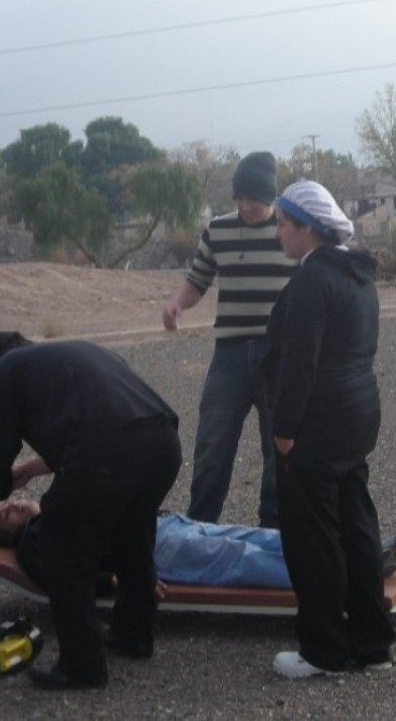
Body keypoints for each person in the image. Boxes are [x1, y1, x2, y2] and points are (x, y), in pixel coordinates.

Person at [0, 332, 182, 690]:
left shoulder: (1, 372)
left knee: (61, 551)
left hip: (107, 456)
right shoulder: (75, 353)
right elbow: (97, 420)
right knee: (133, 535)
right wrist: (30, 471)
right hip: (163, 443)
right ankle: (134, 635)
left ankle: (82, 667)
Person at [262, 180, 396, 678]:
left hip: (317, 421)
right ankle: (372, 642)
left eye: (282, 224)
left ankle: (323, 650)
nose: (277, 233)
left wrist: (285, 428)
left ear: (307, 227)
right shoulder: (359, 274)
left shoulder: (312, 281)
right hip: (358, 413)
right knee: (357, 526)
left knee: (312, 538)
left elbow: (300, 362)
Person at [162, 151, 297, 528]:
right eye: (240, 197)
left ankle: (274, 530)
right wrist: (177, 304)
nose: (246, 205)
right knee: (212, 443)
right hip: (230, 354)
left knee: (279, 447)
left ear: (271, 197)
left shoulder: (290, 231)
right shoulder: (217, 230)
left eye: (254, 198)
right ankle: (201, 525)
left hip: (279, 355)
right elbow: (198, 280)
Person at [0, 497, 396, 589]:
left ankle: (364, 551)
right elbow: (61, 575)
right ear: (9, 532)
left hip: (168, 527)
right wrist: (117, 580)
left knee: (265, 538)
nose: (15, 506)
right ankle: (351, 573)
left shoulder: (56, 507)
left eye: (9, 502)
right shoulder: (35, 542)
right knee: (246, 559)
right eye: (6, 515)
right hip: (155, 552)